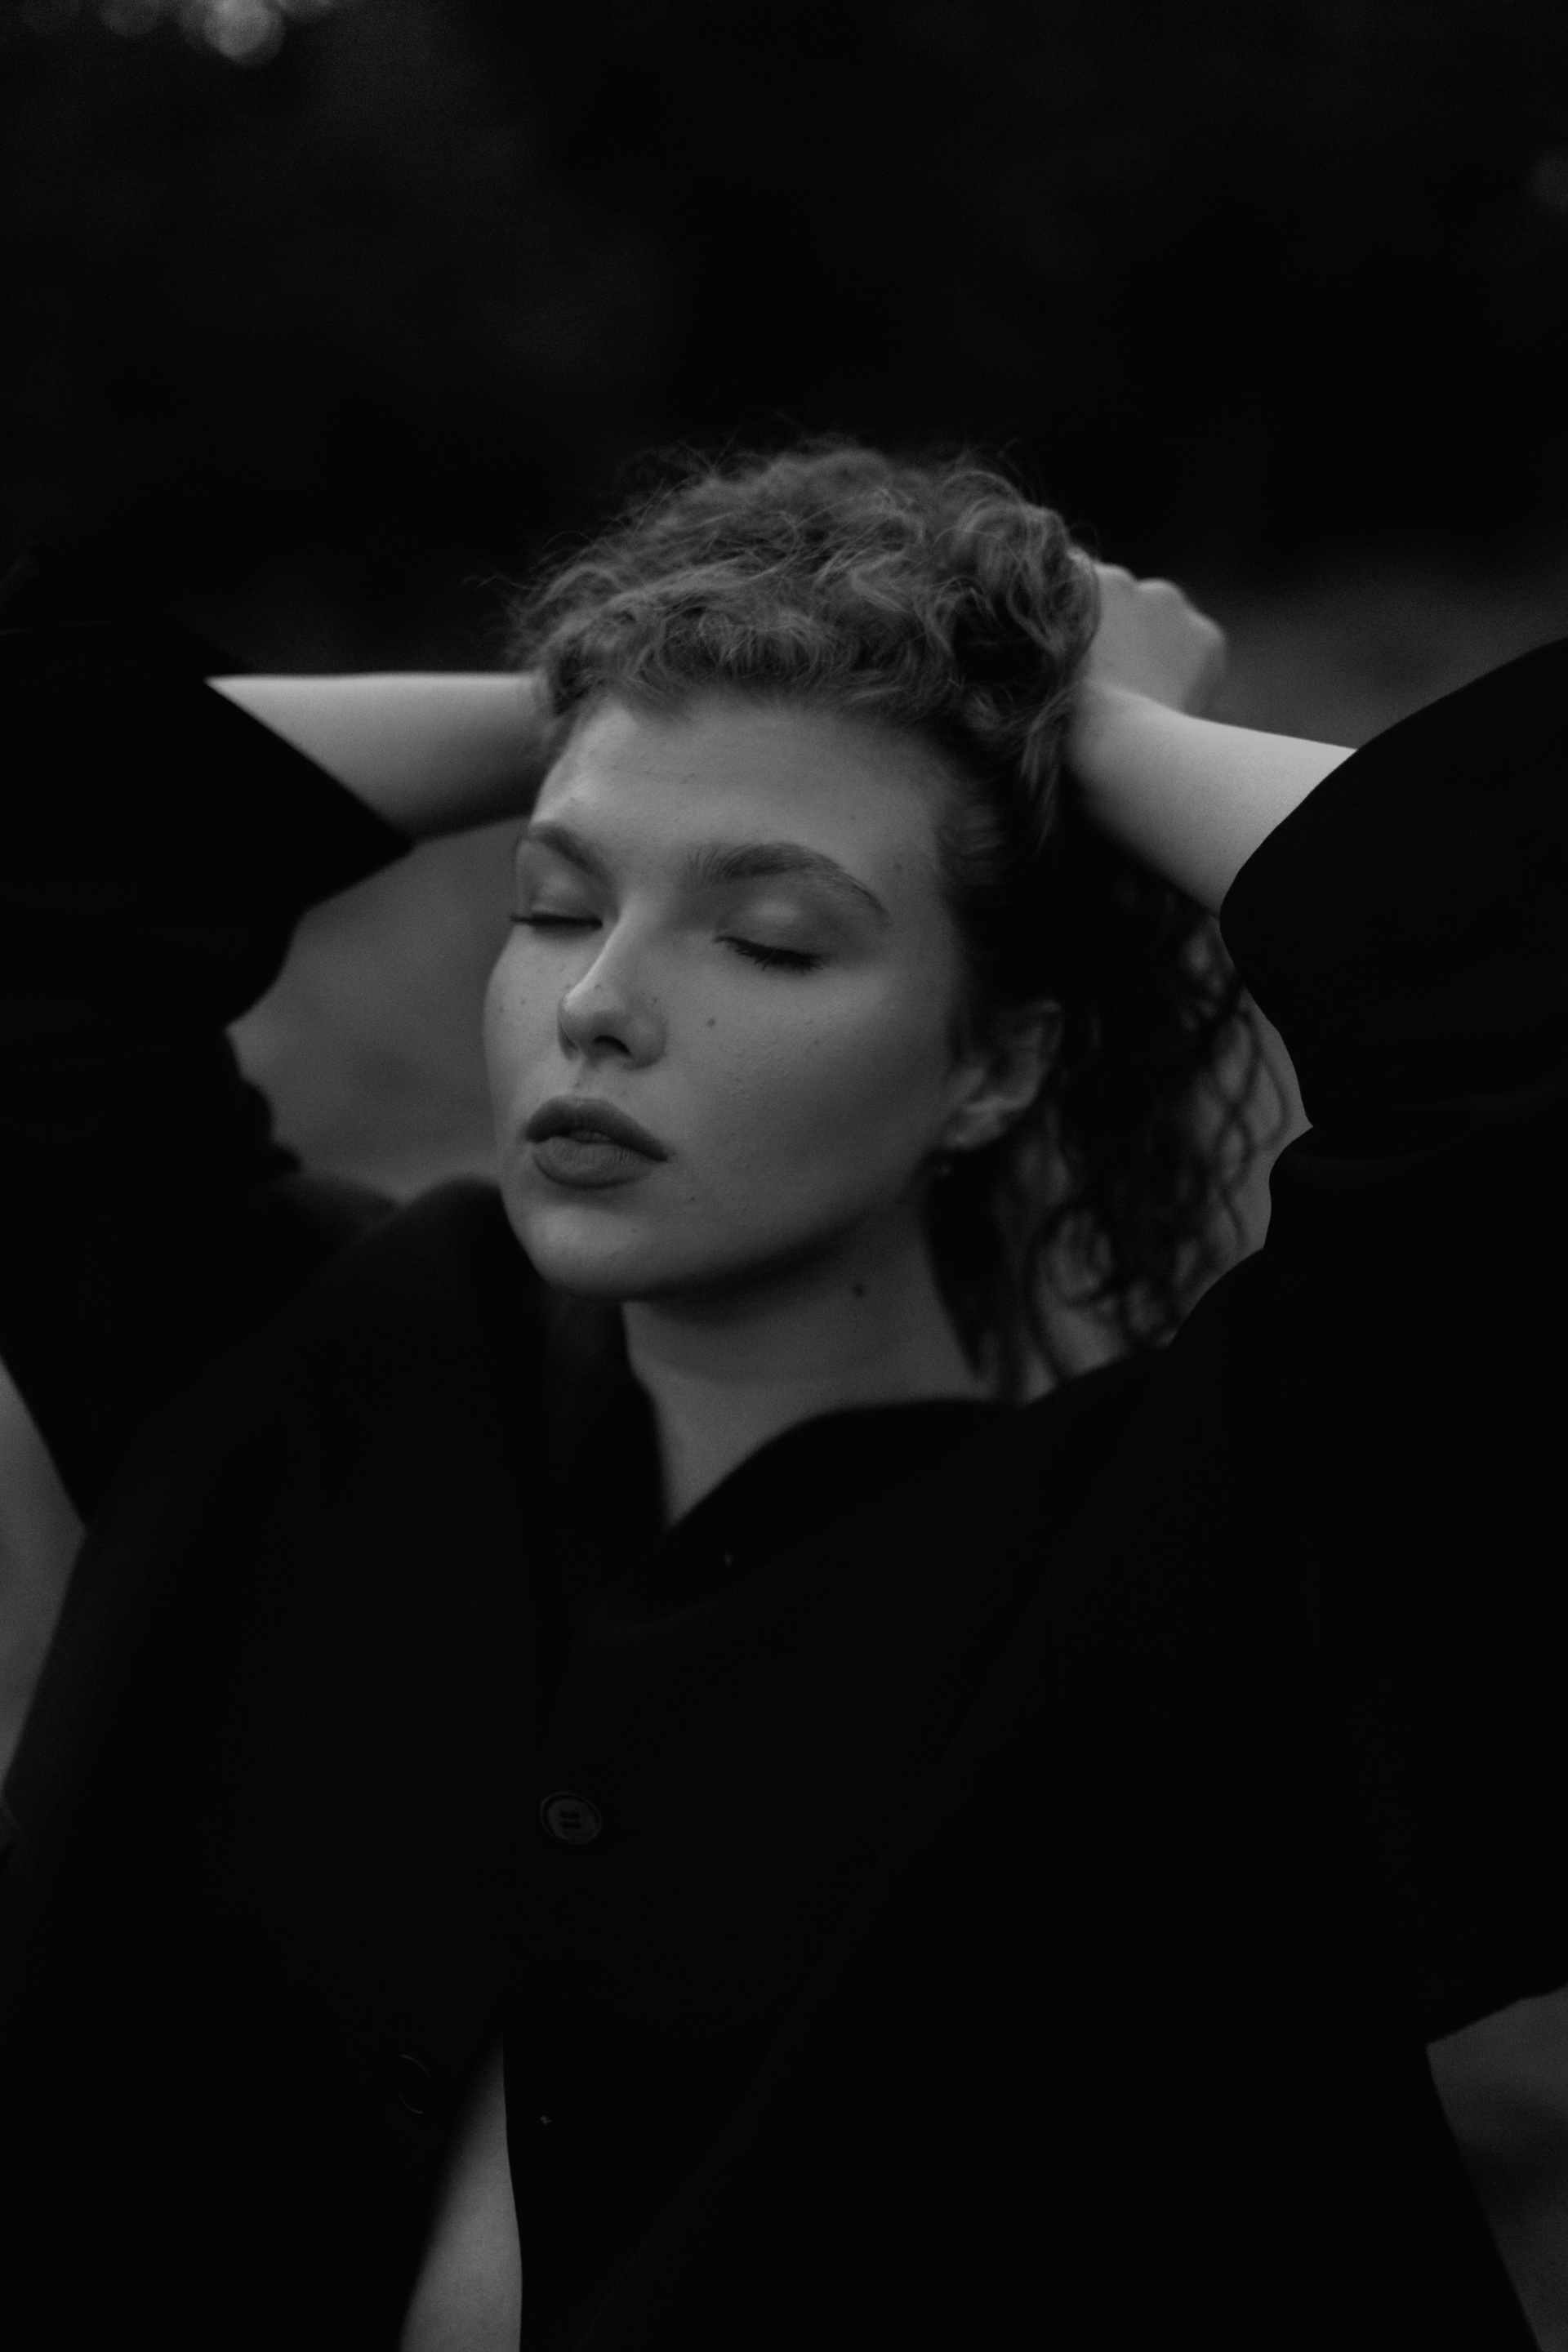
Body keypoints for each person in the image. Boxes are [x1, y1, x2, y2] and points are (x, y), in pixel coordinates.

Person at [0, 442, 1561, 2350]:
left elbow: (1521, 1033)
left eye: (767, 936)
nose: (599, 1004)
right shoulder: (316, 1376)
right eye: (556, 904)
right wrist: (635, 686)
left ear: (993, 1067)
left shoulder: (1211, 1573)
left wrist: (1079, 727)